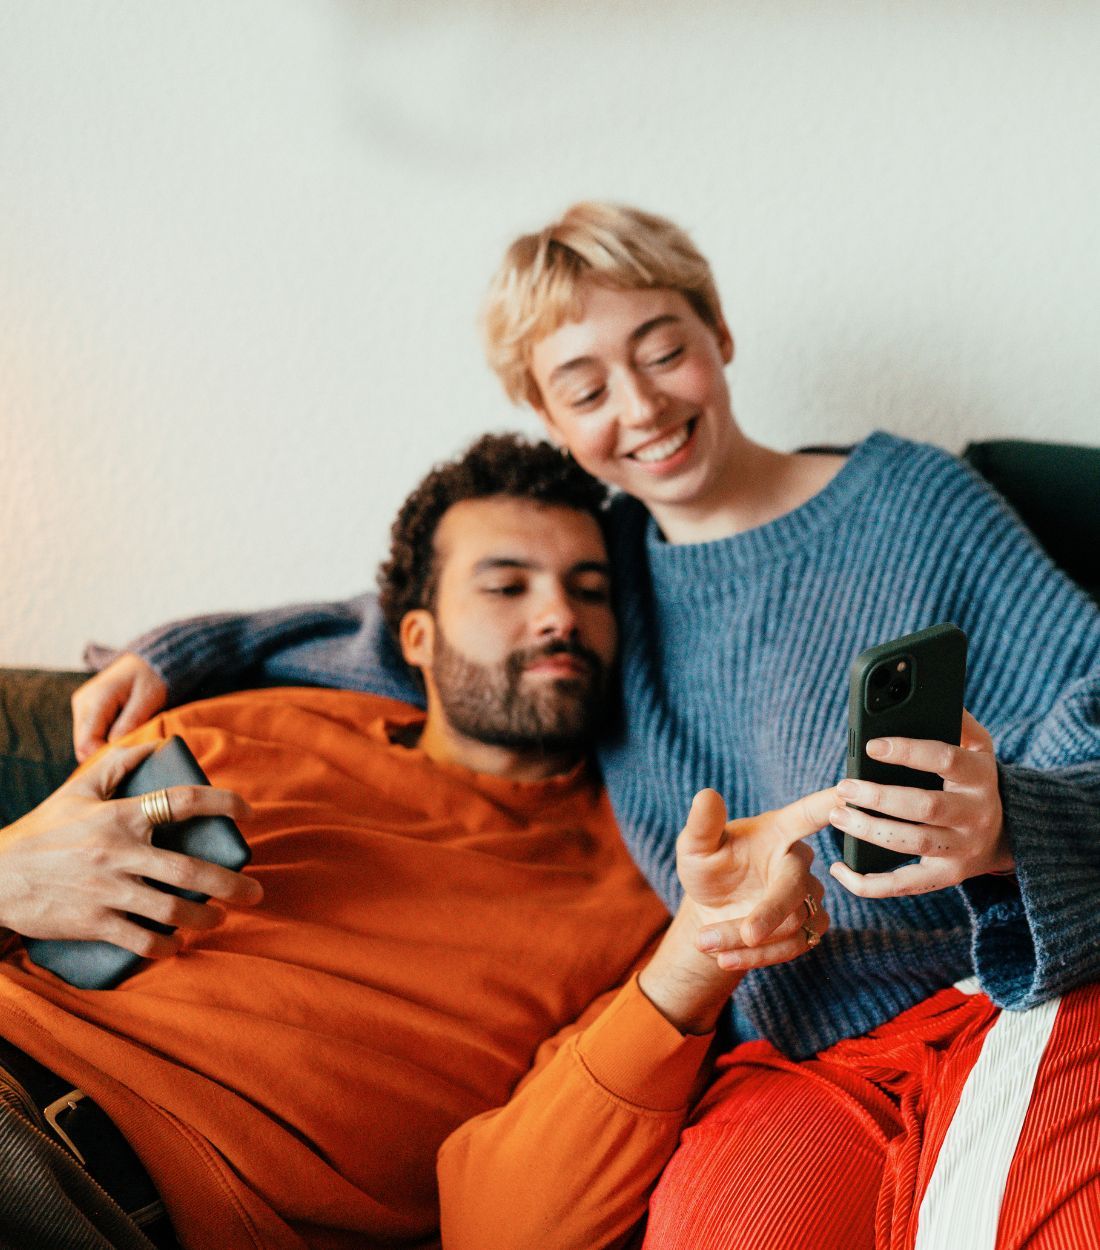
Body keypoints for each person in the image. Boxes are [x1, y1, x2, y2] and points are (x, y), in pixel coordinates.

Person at [74, 203, 1100, 1247]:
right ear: (546, 415)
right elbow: (392, 628)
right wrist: (172, 651)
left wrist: (1008, 822)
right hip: (789, 1049)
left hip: (993, 988)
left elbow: (1092, 691)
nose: (641, 404)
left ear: (718, 337)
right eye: (585, 388)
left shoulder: (910, 498)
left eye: (663, 351)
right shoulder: (592, 577)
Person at [0, 434, 831, 1250]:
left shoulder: (641, 887)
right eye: (507, 586)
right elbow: (41, 870)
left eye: (590, 590)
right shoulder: (231, 728)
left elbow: (503, 1223)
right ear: (416, 639)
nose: (559, 617)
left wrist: (695, 958)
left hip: (111, 1192)